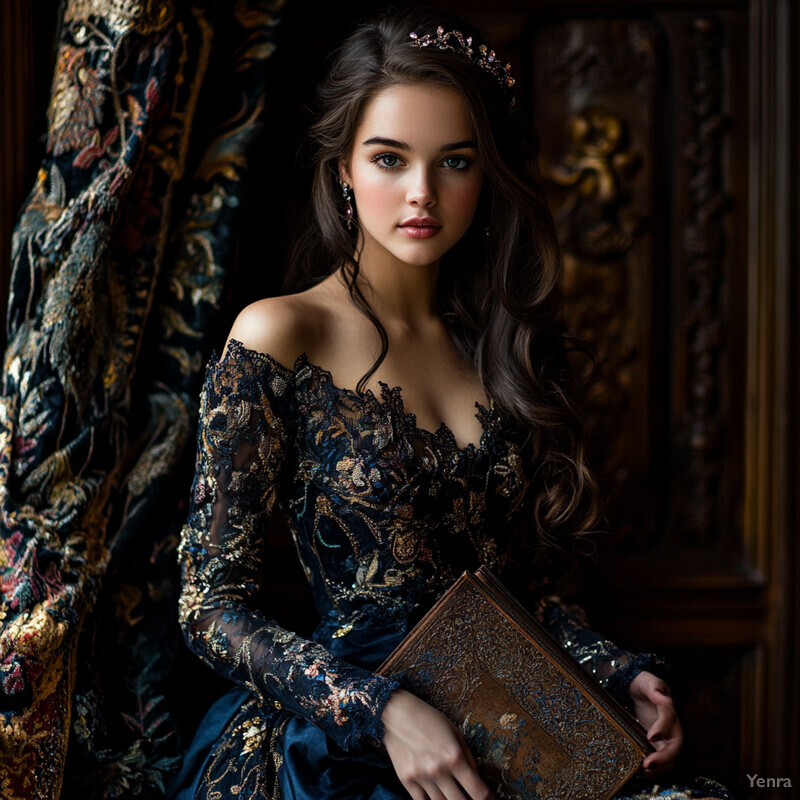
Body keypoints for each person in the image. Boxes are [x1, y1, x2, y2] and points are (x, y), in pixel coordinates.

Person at [170, 6, 734, 800]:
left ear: (486, 174)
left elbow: (518, 594)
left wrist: (620, 672)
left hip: (502, 713)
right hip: (341, 737)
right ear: (342, 166)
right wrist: (381, 707)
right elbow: (208, 606)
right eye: (390, 159)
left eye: (456, 163)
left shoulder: (499, 347)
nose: (422, 193)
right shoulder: (280, 332)